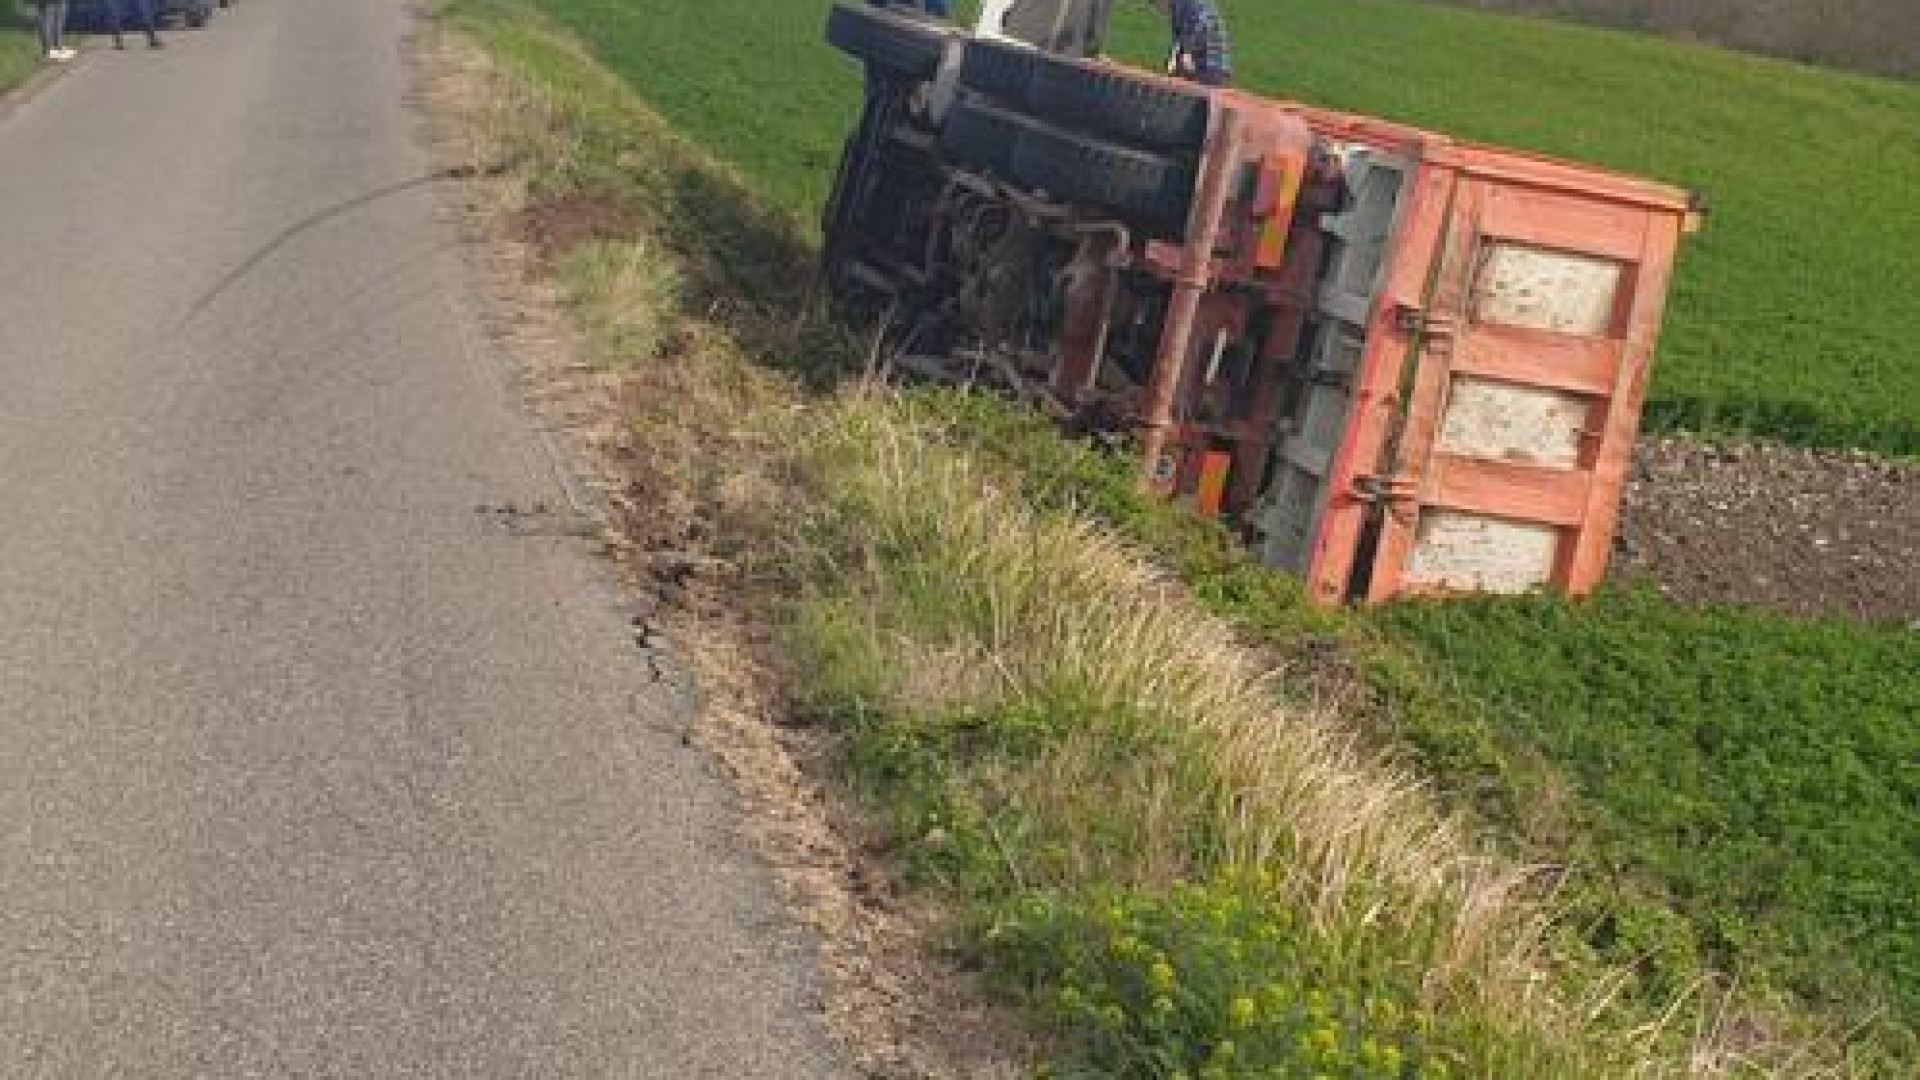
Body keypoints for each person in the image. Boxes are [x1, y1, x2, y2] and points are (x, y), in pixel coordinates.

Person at [1149, 0, 1231, 86]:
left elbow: (1186, 44)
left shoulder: (1183, 9)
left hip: (1209, 67)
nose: (1156, 9)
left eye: (1154, 2)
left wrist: (1173, 70)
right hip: (1215, 64)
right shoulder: (1182, 6)